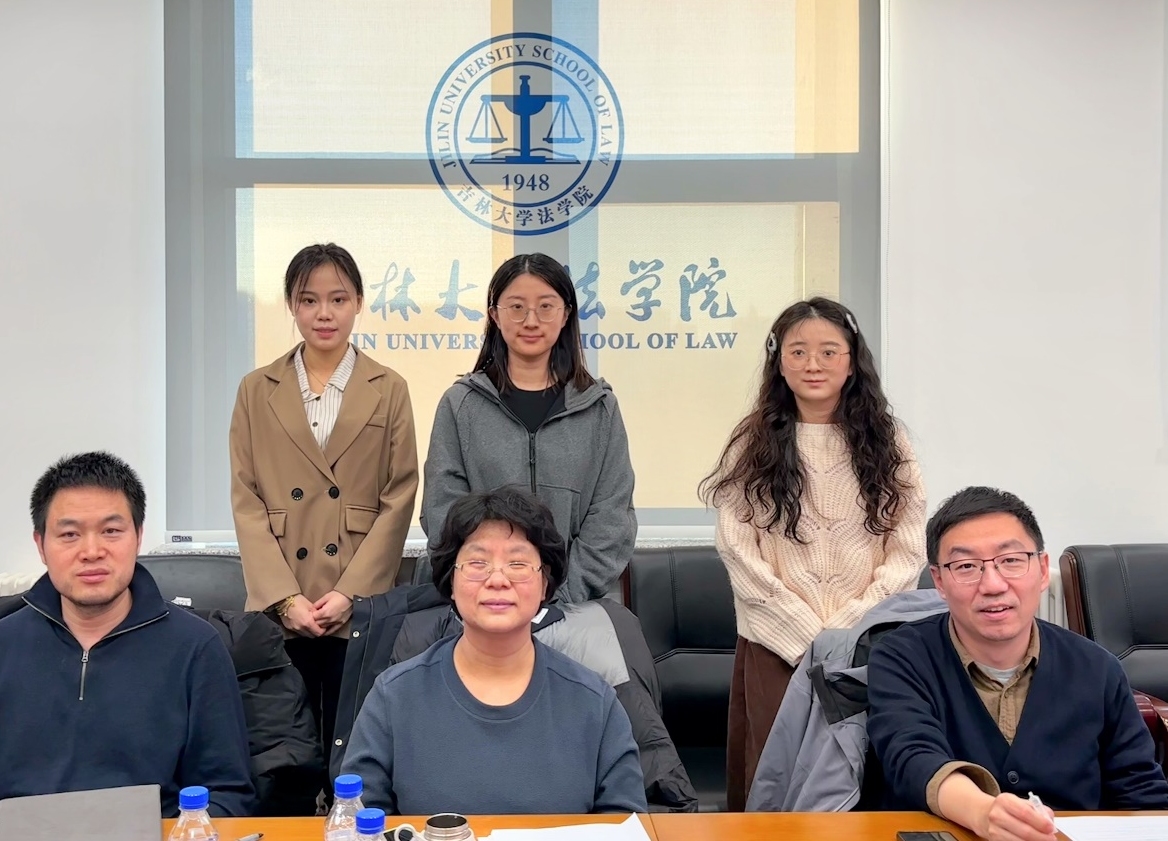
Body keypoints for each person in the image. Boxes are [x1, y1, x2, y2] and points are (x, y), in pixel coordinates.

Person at [0, 452, 256, 816]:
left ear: (138, 537)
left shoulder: (195, 647)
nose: (92, 552)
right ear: (41, 545)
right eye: (69, 534)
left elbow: (227, 794)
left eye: (111, 531)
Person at [702, 296, 927, 809]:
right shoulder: (751, 441)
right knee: (774, 787)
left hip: (866, 650)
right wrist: (806, 634)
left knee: (866, 780)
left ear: (852, 361)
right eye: (798, 351)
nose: (813, 364)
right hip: (775, 645)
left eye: (829, 351)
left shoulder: (889, 442)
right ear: (779, 362)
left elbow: (907, 551)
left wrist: (845, 633)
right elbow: (737, 549)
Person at [868, 486, 1168, 837]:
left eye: (1010, 561)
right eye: (966, 566)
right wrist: (983, 812)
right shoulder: (901, 656)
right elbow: (911, 756)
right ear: (940, 581)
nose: (993, 585)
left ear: (1042, 570)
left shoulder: (1097, 668)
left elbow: (1141, 793)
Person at [230, 242, 418, 777]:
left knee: (356, 752)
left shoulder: (389, 388)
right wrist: (283, 597)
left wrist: (351, 594)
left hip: (356, 594)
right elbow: (246, 497)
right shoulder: (256, 389)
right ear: (292, 305)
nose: (324, 313)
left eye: (338, 299)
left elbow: (400, 494)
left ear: (359, 302)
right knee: (283, 753)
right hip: (283, 596)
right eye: (309, 300)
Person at [341, 486, 647, 815]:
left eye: (517, 563)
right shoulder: (394, 695)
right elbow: (358, 819)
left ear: (544, 583)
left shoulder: (594, 701)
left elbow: (624, 821)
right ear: (451, 582)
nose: (497, 580)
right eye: (477, 562)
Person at [421, 252, 636, 604]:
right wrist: (494, 589)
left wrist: (562, 595)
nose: (531, 321)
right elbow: (442, 510)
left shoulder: (600, 408)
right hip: (485, 604)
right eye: (517, 307)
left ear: (566, 315)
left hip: (575, 606)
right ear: (495, 315)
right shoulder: (460, 405)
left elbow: (612, 515)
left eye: (546, 306)